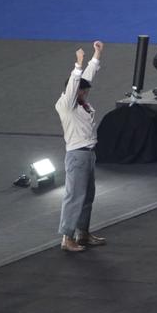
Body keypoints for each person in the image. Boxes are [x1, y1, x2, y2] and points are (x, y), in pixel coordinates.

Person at [56, 41, 105, 253]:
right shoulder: (66, 104)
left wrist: (96, 55)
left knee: (87, 196)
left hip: (88, 154)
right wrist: (78, 64)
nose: (85, 94)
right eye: (82, 92)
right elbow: (76, 83)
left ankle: (82, 233)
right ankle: (67, 238)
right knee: (74, 196)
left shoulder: (80, 102)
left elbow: (86, 79)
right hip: (77, 155)